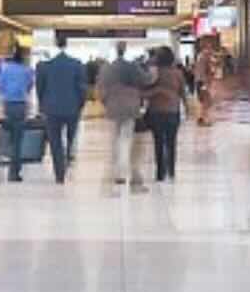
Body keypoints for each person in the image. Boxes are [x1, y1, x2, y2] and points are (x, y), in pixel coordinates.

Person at [35, 32, 88, 184]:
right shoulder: (77, 64)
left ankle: (59, 173)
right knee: (71, 137)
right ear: (67, 44)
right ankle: (69, 157)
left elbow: (40, 88)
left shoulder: (45, 66)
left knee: (55, 141)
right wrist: (80, 105)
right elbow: (82, 88)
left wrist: (42, 105)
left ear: (54, 43)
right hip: (72, 108)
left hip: (51, 109)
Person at [99, 44, 151, 194]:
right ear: (125, 49)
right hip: (130, 105)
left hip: (113, 106)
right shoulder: (133, 67)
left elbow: (101, 87)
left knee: (115, 140)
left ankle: (118, 174)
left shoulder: (108, 68)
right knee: (126, 139)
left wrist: (105, 101)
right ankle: (125, 169)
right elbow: (146, 80)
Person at [0, 44, 35, 182]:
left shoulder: (1, 69)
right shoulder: (27, 70)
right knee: (17, 141)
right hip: (20, 106)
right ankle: (14, 172)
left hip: (6, 106)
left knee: (5, 136)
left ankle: (1, 158)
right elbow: (29, 88)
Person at [145, 46, 186, 183]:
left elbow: (146, 92)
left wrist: (156, 92)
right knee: (171, 142)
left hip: (156, 111)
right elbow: (182, 92)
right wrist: (185, 107)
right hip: (173, 111)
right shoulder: (178, 73)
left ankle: (160, 173)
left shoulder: (154, 73)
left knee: (158, 142)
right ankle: (171, 171)